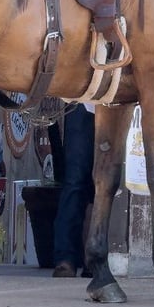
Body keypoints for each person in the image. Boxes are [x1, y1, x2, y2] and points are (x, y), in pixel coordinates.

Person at [52, 104, 95, 278]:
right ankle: (65, 257)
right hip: (83, 100)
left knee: (105, 185)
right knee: (74, 180)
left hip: (117, 103)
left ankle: (93, 258)